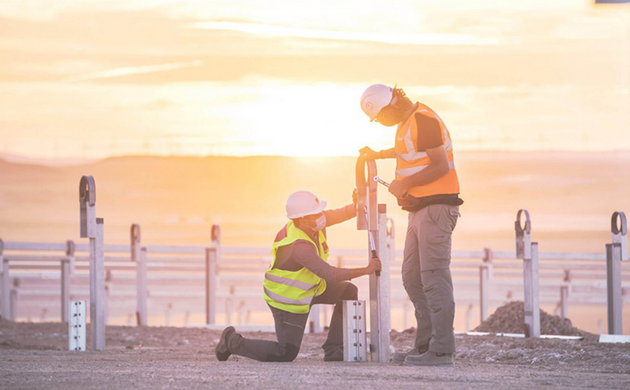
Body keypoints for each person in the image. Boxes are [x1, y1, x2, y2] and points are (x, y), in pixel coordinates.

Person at [359, 84, 463, 367]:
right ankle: (426, 346)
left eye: (380, 117)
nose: (380, 122)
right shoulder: (408, 122)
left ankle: (442, 351)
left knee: (433, 277)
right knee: (413, 277)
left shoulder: (424, 119)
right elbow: (409, 151)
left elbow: (441, 166)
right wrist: (379, 154)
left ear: (391, 105)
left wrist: (405, 183)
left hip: (436, 208)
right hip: (420, 209)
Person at [215, 190, 381, 362]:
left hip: (310, 290)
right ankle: (231, 341)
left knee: (348, 292)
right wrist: (366, 269)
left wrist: (356, 207)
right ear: (302, 219)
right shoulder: (299, 246)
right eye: (316, 213)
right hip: (287, 300)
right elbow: (331, 274)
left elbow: (340, 214)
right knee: (285, 353)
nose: (321, 216)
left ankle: (334, 350)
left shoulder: (313, 223)